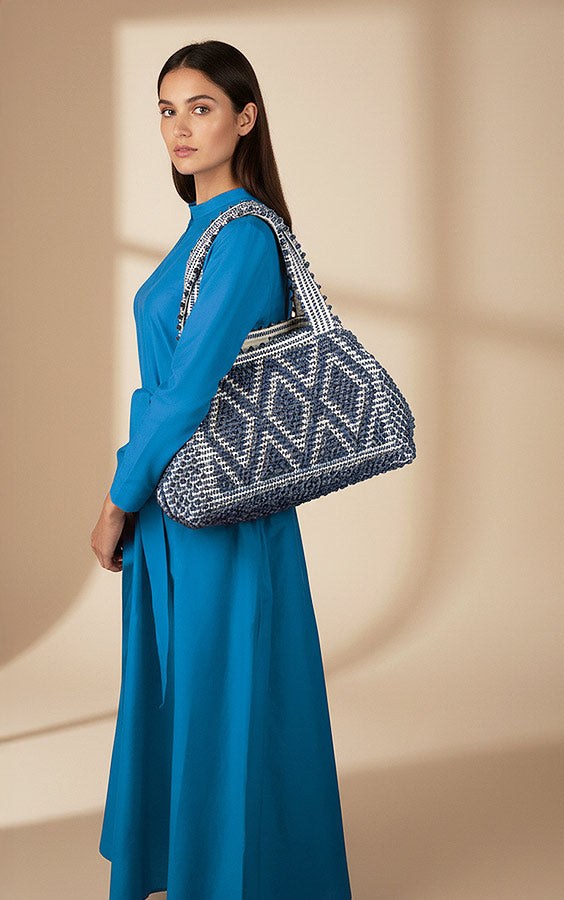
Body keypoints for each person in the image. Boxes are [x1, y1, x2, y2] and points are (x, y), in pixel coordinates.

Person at [87, 40, 353, 900]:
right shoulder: (201, 231)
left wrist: (116, 498)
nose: (179, 127)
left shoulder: (240, 237)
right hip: (181, 509)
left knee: (225, 701)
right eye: (167, 109)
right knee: (192, 698)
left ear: (244, 119)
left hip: (213, 512)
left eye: (200, 107)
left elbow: (187, 391)